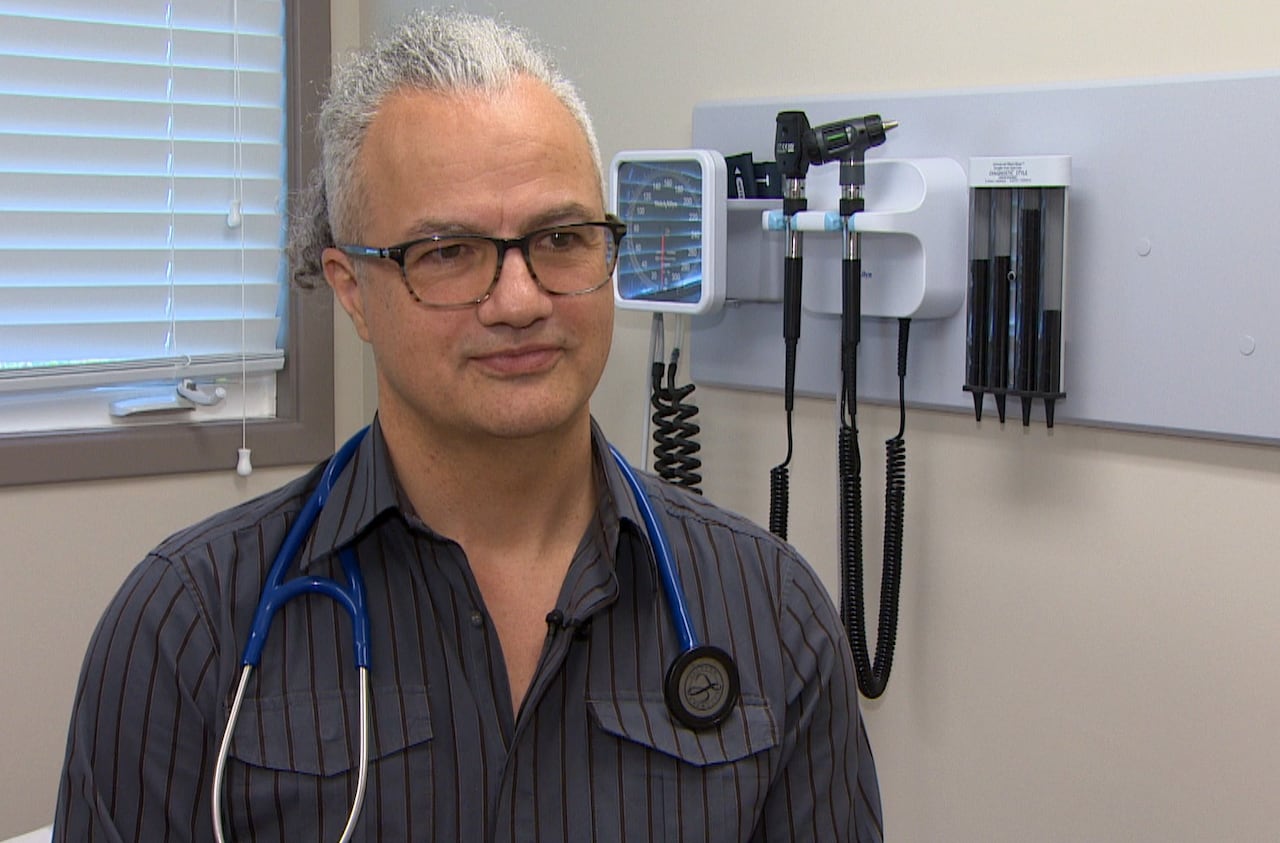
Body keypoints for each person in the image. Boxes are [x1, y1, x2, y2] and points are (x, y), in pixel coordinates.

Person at [53, 10, 883, 841]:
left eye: (561, 238)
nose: (519, 300)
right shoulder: (189, 625)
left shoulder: (770, 612)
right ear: (351, 290)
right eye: (447, 252)